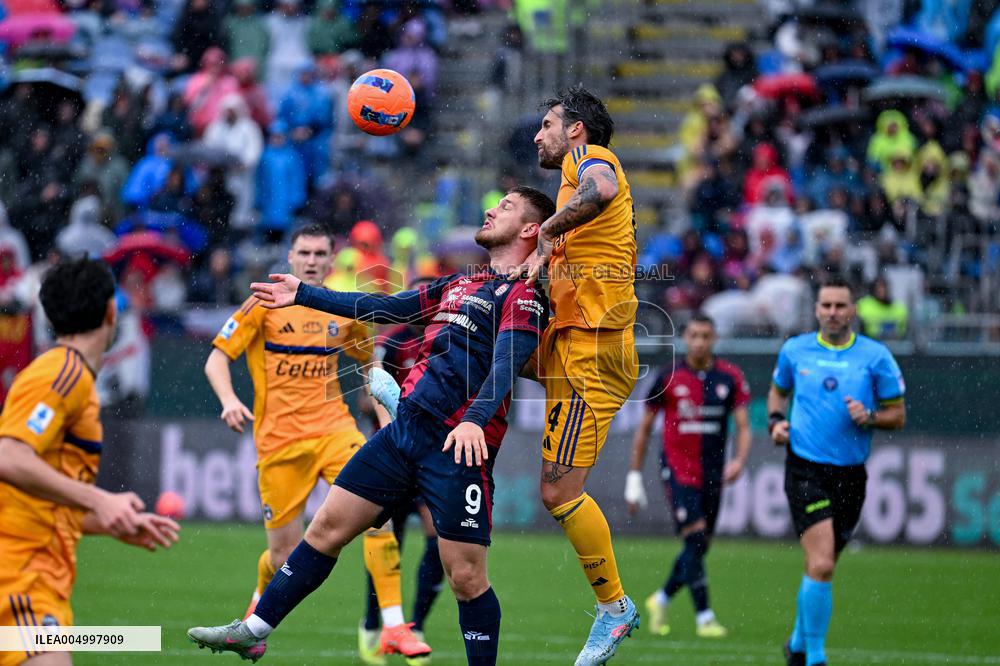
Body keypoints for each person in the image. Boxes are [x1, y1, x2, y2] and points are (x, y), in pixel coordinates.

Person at [187, 186, 555, 666]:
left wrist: (474, 420)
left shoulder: (523, 295)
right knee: (325, 529)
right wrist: (305, 294)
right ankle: (253, 630)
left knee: (465, 577)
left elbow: (508, 362)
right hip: (402, 433)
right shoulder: (460, 283)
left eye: (505, 206)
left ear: (530, 229)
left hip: (457, 445)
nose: (490, 208)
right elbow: (390, 309)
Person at [202, 224, 429, 662]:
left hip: (334, 432)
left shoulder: (341, 310)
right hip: (279, 443)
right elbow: (217, 359)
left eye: (319, 253)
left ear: (330, 260)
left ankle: (394, 626)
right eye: (303, 252)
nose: (310, 260)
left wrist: (385, 423)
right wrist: (229, 401)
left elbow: (371, 370)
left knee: (377, 515)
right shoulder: (262, 304)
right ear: (290, 257)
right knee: (282, 554)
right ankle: (256, 610)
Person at [511, 85, 641, 666]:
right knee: (484, 338)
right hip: (571, 338)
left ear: (577, 130)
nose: (537, 135)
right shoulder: (570, 181)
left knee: (559, 490)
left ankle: (615, 609)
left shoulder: (593, 161)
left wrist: (543, 235)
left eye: (547, 124)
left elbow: (602, 191)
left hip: (595, 349)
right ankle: (411, 402)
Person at [0, 258, 180, 665]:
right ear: (111, 311)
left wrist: (108, 522)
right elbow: (8, 457)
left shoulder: (67, 373)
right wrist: (100, 500)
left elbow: (33, 496)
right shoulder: (62, 373)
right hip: (20, 577)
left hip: (36, 580)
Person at [769, 276, 906, 666]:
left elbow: (898, 415)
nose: (833, 313)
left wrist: (871, 417)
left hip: (850, 474)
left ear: (854, 310)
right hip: (805, 469)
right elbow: (778, 392)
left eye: (840, 306)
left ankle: (796, 642)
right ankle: (813, 657)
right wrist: (776, 421)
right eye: (826, 305)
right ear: (816, 310)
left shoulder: (876, 357)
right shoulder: (795, 351)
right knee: (823, 563)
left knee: (820, 568)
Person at [624, 313, 751, 639]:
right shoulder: (668, 377)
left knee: (699, 547)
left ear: (714, 339)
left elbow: (744, 426)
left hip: (713, 473)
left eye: (705, 336)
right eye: (694, 335)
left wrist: (739, 459)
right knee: (694, 539)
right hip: (678, 470)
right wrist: (634, 477)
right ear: (685, 338)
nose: (699, 342)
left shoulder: (729, 377)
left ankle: (661, 597)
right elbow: (644, 429)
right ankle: (705, 617)